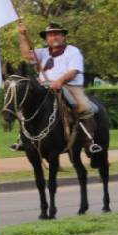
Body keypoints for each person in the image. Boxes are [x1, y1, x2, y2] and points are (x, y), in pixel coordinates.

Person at [17, 21, 101, 152]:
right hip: (44, 87)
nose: (54, 37)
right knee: (26, 105)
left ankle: (89, 141)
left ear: (63, 37)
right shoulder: (43, 52)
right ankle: (23, 139)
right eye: (50, 35)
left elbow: (73, 72)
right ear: (46, 39)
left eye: (57, 34)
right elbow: (26, 54)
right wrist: (22, 35)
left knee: (84, 106)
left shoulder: (73, 51)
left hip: (69, 86)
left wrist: (60, 81)